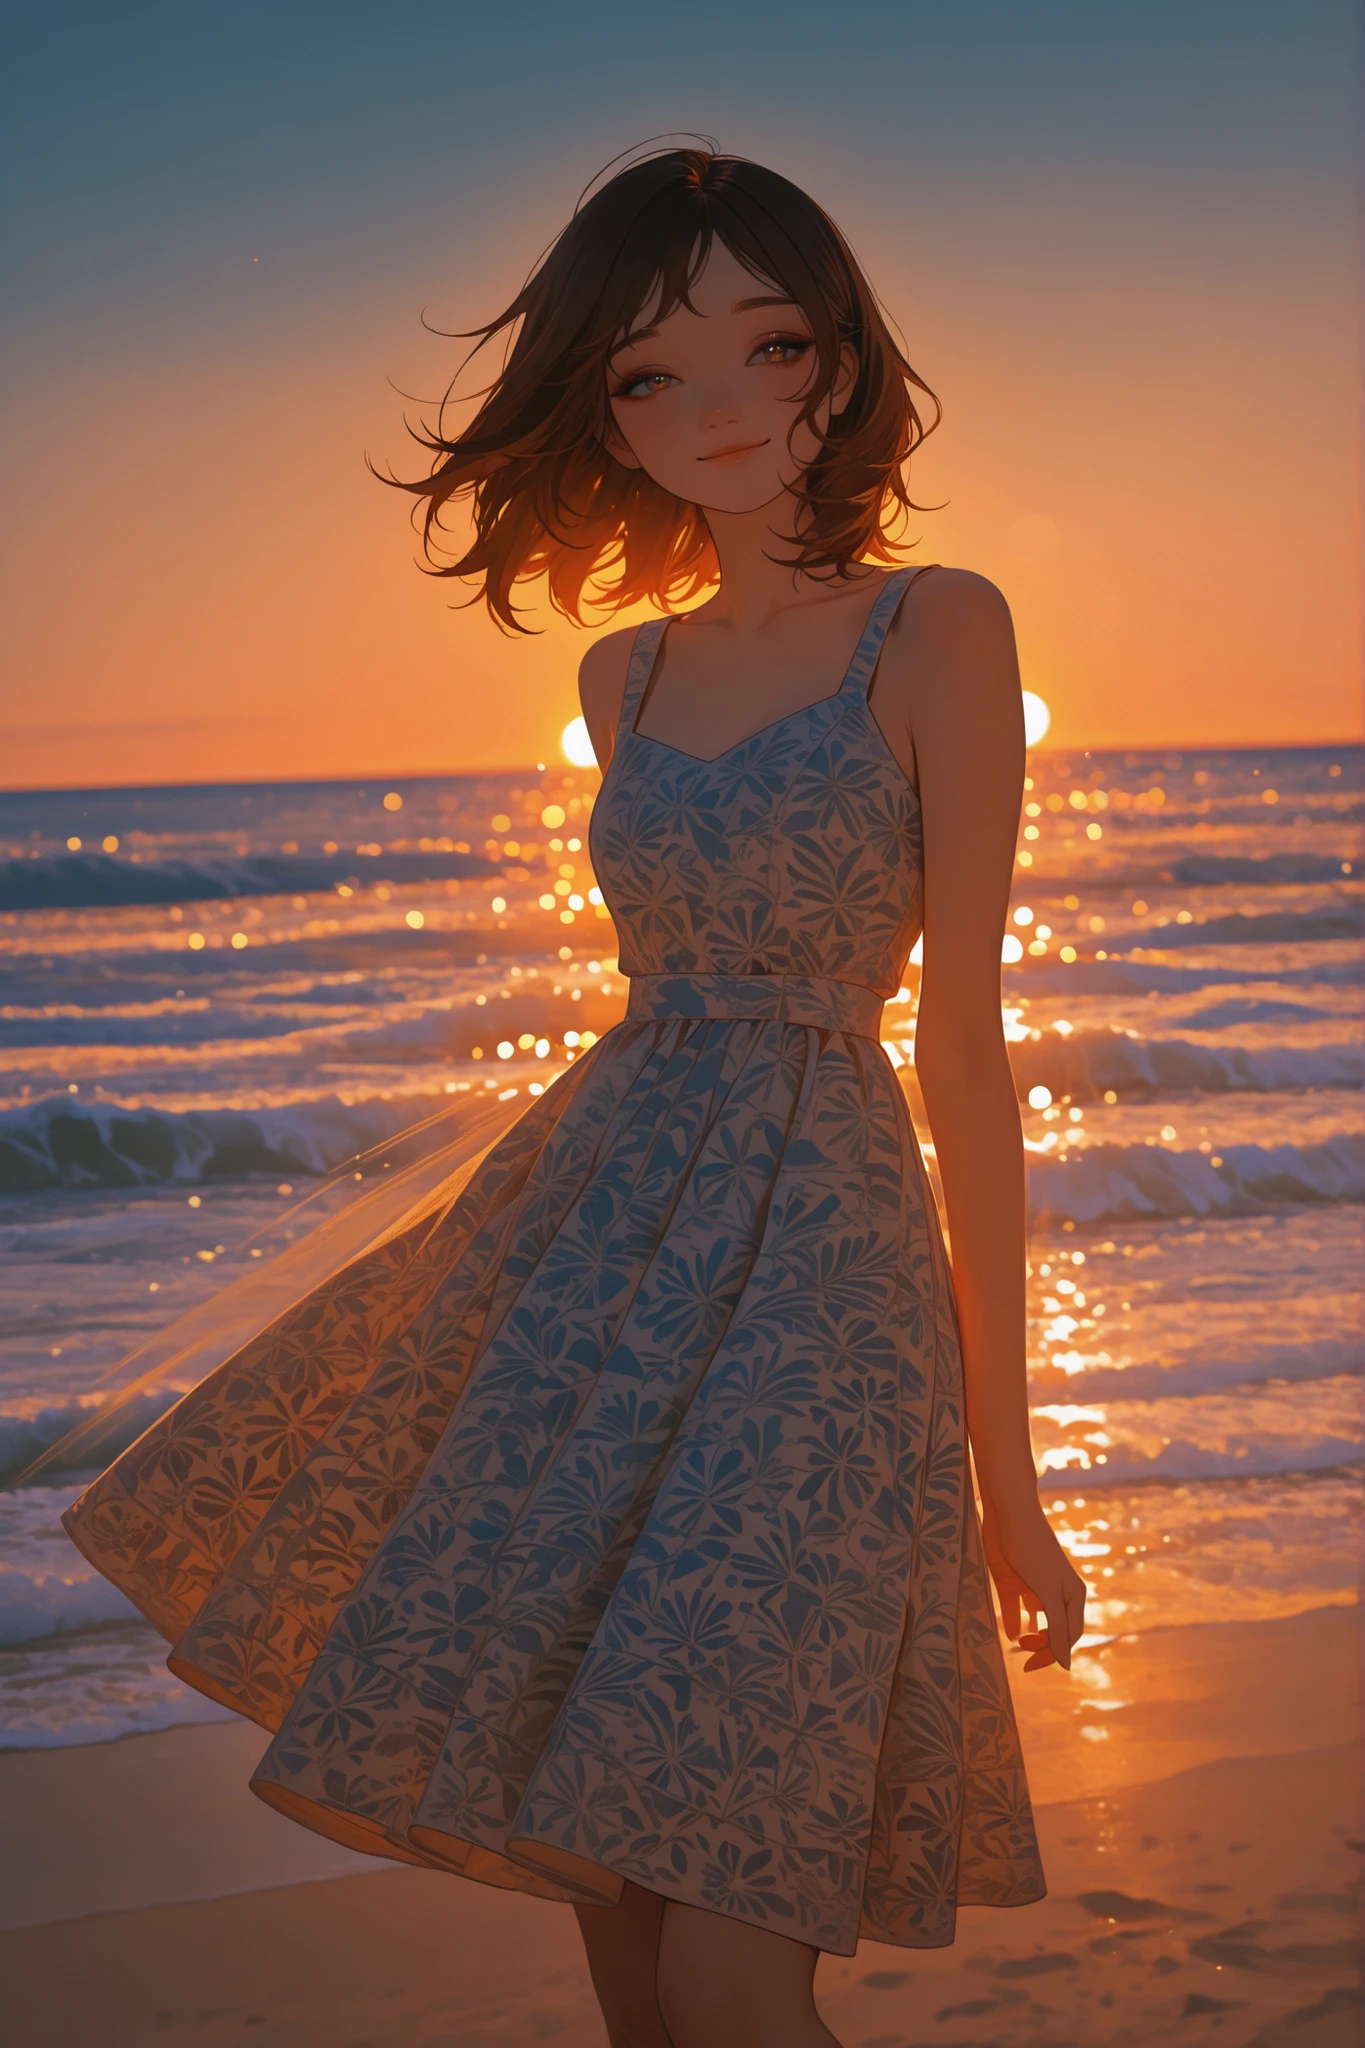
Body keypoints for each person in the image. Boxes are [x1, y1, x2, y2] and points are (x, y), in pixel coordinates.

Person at [64, 147, 1086, 2048]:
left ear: (840, 360)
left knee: (727, 1960)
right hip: (602, 1252)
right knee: (621, 1928)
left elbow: (966, 1045)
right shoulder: (620, 677)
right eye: (649, 372)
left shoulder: (940, 624)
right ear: (603, 415)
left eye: (768, 346)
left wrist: (1005, 1483)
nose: (718, 406)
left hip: (825, 1273)